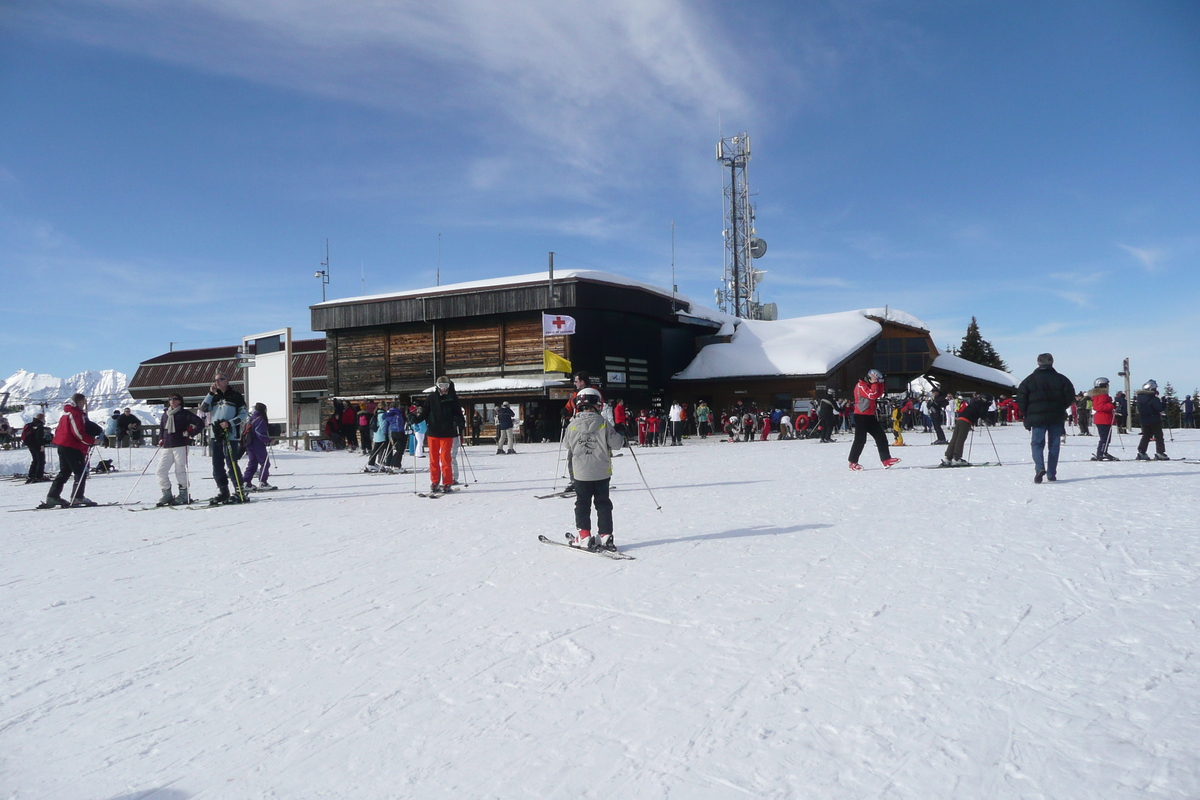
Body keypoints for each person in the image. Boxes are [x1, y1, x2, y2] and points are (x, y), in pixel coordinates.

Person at [563, 387, 626, 552]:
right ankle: (605, 535)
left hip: (581, 473)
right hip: (601, 472)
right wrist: (620, 431)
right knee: (603, 503)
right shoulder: (604, 423)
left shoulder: (573, 425)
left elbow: (566, 444)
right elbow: (617, 444)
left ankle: (584, 535)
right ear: (598, 404)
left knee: (582, 503)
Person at [1016, 353, 1076, 484]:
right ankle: (1051, 473)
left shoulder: (1029, 380)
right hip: (1056, 416)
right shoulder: (1062, 379)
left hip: (1037, 417)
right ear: (1052, 362)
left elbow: (1021, 399)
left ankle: (1039, 467)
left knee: (1037, 443)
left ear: (1038, 363)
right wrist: (1060, 407)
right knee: (1054, 445)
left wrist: (1026, 413)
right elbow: (1070, 396)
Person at [40, 393, 99, 508]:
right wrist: (91, 441)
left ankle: (53, 496)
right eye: (84, 402)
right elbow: (77, 432)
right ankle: (77, 496)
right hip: (71, 445)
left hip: (63, 444)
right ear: (80, 402)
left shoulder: (66, 413)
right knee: (80, 471)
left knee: (65, 471)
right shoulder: (75, 413)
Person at [199, 372, 248, 504]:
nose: (218, 382)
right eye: (216, 380)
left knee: (231, 463)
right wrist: (210, 393)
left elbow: (244, 414)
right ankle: (223, 490)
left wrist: (230, 423)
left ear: (227, 380)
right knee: (217, 465)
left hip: (230, 435)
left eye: (221, 379)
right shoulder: (213, 397)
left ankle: (239, 490)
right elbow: (204, 408)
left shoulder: (236, 396)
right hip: (216, 435)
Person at [154, 394, 204, 505]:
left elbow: (200, 423)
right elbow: (162, 428)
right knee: (160, 471)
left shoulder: (185, 413)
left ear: (180, 401)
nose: (172, 401)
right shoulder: (165, 414)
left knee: (180, 471)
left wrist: (191, 433)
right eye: (170, 399)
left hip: (180, 445)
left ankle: (184, 494)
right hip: (167, 445)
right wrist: (160, 439)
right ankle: (167, 494)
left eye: (175, 399)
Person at [847, 369, 900, 471]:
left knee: (881, 436)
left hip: (869, 415)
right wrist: (875, 383)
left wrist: (880, 384)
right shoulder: (861, 385)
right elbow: (872, 395)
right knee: (860, 440)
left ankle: (886, 459)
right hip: (861, 415)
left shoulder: (870, 385)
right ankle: (852, 462)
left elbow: (878, 394)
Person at [421, 376, 465, 493]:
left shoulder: (453, 399)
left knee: (445, 458)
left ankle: (447, 482)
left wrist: (458, 422)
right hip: (433, 432)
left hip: (447, 432)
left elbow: (459, 415)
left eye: (446, 386)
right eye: (441, 386)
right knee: (433, 459)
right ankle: (435, 481)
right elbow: (424, 413)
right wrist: (414, 418)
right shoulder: (431, 398)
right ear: (437, 386)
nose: (444, 389)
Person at [941, 393, 989, 466]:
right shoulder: (983, 404)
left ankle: (948, 457)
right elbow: (982, 415)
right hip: (966, 421)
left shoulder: (974, 402)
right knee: (960, 439)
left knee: (954, 438)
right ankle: (956, 458)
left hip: (960, 419)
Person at [239, 402, 274, 489]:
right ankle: (263, 482)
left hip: (249, 443)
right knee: (265, 462)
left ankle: (246, 482)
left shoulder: (250, 419)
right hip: (257, 443)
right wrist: (269, 440)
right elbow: (260, 433)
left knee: (253, 463)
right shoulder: (260, 419)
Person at [1134, 380, 1169, 461]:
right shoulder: (1154, 399)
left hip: (1144, 420)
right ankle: (1160, 452)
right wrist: (1164, 403)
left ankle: (1141, 452)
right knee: (1159, 436)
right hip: (1154, 420)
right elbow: (1159, 408)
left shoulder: (1139, 398)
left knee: (1146, 436)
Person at [1089, 378, 1118, 462]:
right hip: (1104, 419)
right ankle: (1101, 453)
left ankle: (1103, 451)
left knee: (1105, 438)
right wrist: (1112, 405)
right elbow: (1100, 407)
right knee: (1105, 438)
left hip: (1102, 419)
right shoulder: (1102, 396)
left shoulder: (1097, 395)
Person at [22, 413, 47, 483]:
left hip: (30, 444)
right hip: (37, 445)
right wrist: (42, 445)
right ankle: (39, 476)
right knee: (41, 460)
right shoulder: (39, 425)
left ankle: (31, 474)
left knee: (35, 460)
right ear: (42, 418)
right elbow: (39, 437)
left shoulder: (30, 424)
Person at [383, 402, 407, 471]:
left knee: (398, 449)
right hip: (399, 432)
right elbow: (398, 423)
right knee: (400, 450)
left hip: (392, 432)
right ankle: (396, 465)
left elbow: (386, 425)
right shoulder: (397, 414)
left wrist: (385, 433)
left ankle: (393, 464)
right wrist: (401, 432)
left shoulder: (388, 414)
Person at [365, 405, 389, 471]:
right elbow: (383, 425)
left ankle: (372, 463)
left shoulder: (377, 413)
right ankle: (371, 463)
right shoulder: (382, 415)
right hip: (381, 434)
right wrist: (385, 433)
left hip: (377, 434)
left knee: (376, 449)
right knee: (376, 449)